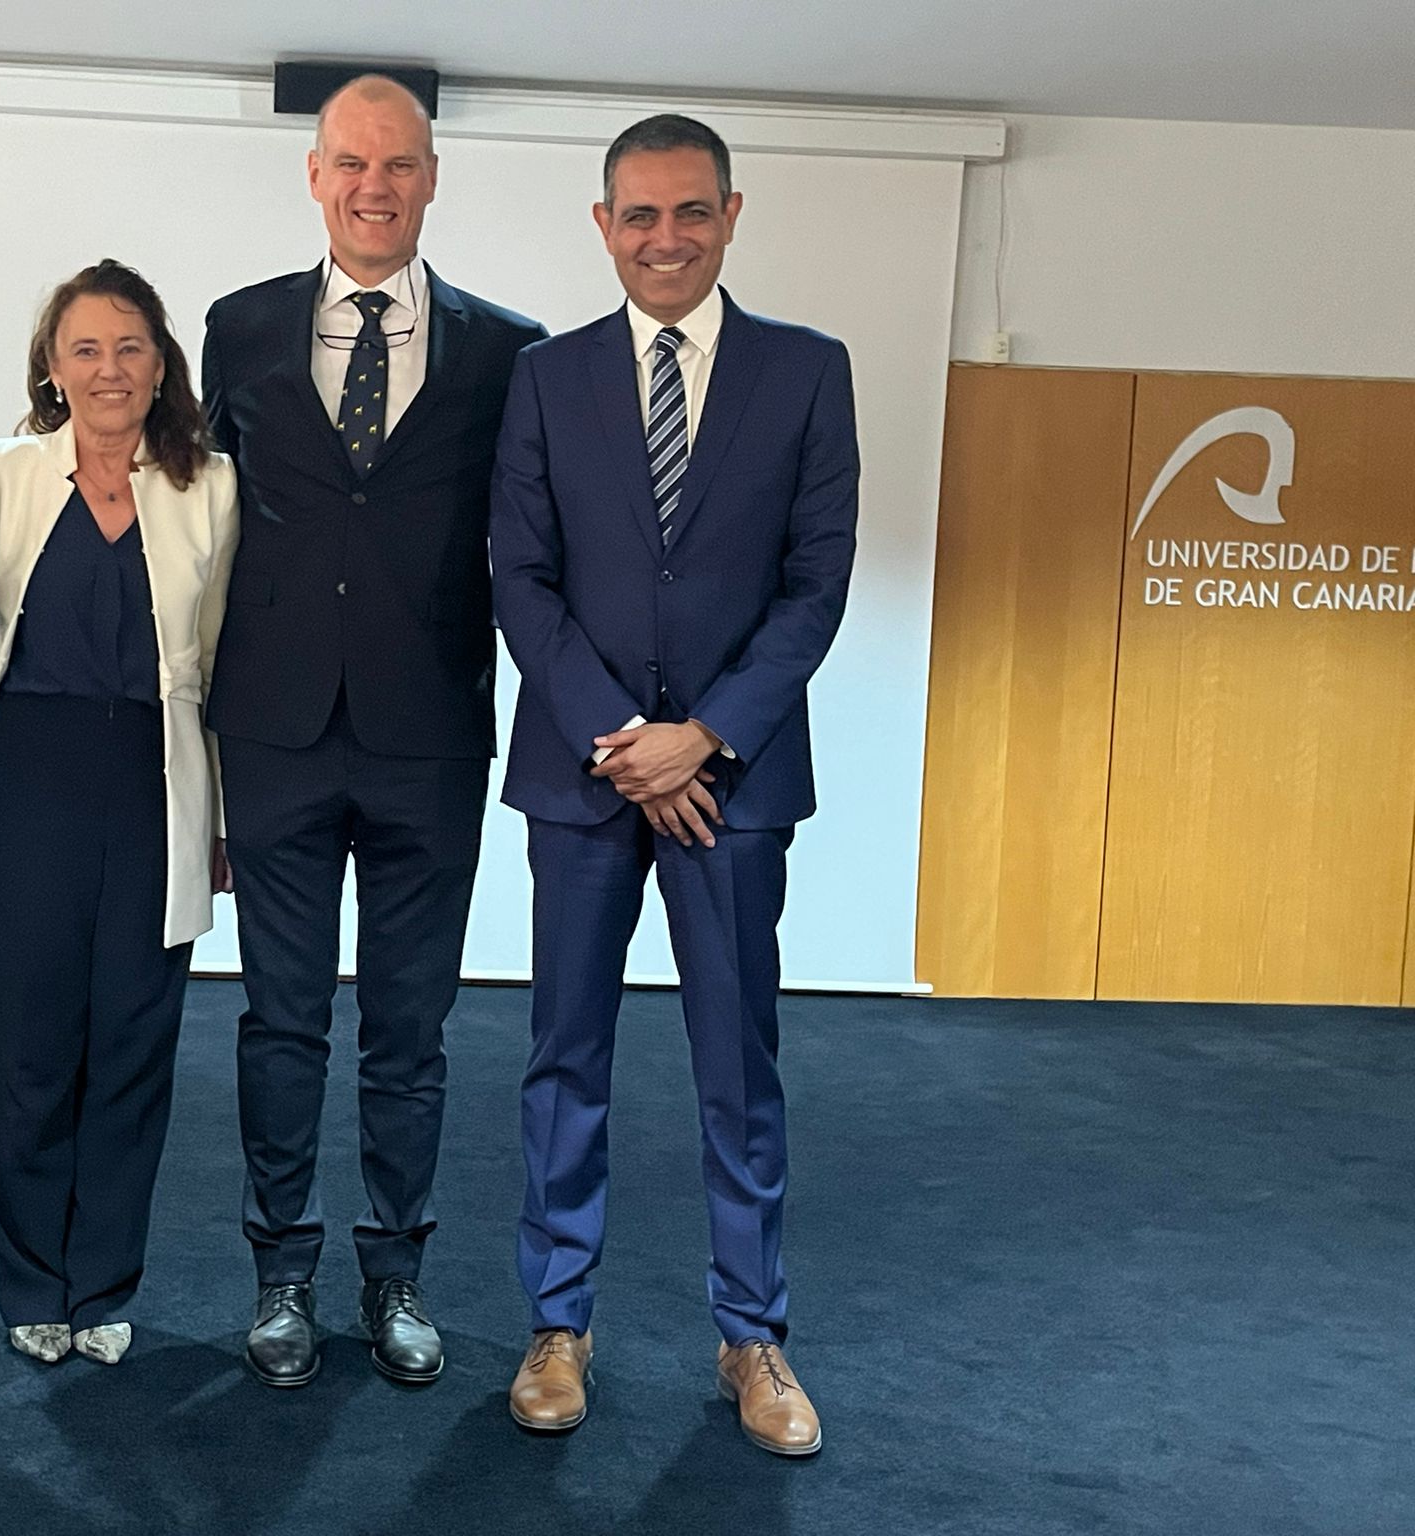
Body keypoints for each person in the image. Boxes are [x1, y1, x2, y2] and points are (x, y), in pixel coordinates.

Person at [490, 114, 859, 1449]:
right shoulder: (546, 377)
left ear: (730, 214)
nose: (666, 237)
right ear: (604, 226)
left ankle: (752, 1338)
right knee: (564, 1057)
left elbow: (815, 584)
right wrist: (622, 739)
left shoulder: (806, 372)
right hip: (584, 776)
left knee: (737, 1067)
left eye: (690, 210)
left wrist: (701, 736)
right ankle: (556, 1326)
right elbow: (520, 578)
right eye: (639, 214)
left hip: (733, 784)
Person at [202, 74, 544, 1388]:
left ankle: (395, 1274)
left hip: (429, 736)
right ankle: (280, 1274)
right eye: (350, 162)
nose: (373, 186)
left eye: (398, 164)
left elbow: (534, 544)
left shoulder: (509, 351)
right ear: (314, 177)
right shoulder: (237, 328)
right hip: (274, 732)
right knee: (280, 1023)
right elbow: (201, 522)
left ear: (432, 178)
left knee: (410, 1032)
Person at [0, 260, 238, 1369]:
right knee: (32, 1045)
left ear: (161, 364)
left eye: (129, 346)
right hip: (29, 779)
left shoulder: (213, 486)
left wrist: (223, 818)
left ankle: (104, 1283)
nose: (108, 368)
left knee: (133, 1041)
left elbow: (225, 661)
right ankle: (32, 1282)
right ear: (51, 366)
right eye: (84, 348)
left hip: (157, 779)